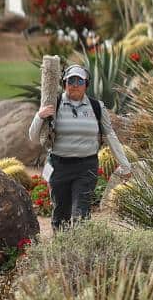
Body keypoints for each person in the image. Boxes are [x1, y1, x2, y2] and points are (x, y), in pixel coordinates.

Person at [28, 64, 132, 230]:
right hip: (59, 166)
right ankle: (61, 252)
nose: (75, 85)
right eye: (71, 80)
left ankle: (79, 252)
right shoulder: (53, 105)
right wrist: (40, 116)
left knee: (80, 213)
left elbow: (110, 135)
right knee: (60, 214)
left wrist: (125, 165)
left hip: (86, 167)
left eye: (79, 81)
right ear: (64, 83)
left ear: (86, 85)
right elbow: (33, 137)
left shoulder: (97, 107)